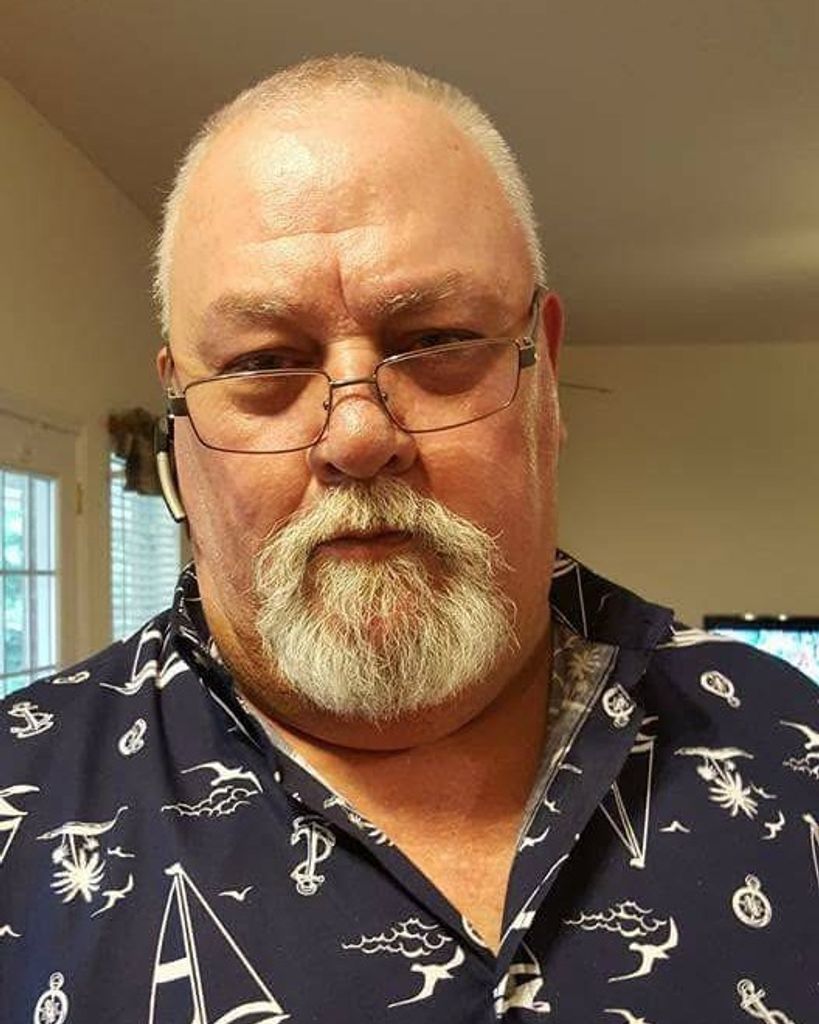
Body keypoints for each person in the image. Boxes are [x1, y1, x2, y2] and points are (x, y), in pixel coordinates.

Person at [1, 56, 816, 1022]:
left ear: (546, 374)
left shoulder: (792, 748)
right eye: (263, 362)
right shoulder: (20, 814)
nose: (356, 438)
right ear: (178, 409)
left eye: (436, 343)